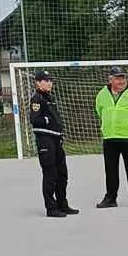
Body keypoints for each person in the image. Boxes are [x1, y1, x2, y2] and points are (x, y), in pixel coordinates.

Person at [95, 69, 128, 209]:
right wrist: (108, 126)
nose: (121, 81)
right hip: (109, 138)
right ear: (110, 79)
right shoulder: (102, 94)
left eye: (123, 78)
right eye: (118, 78)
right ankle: (110, 198)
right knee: (110, 170)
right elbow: (99, 111)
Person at [27, 70, 77, 219]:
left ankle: (62, 204)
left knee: (62, 174)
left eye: (50, 80)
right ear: (38, 82)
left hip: (56, 139)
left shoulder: (50, 97)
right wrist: (48, 120)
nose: (49, 83)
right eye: (46, 80)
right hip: (45, 140)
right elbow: (34, 120)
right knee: (50, 175)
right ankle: (51, 208)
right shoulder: (36, 99)